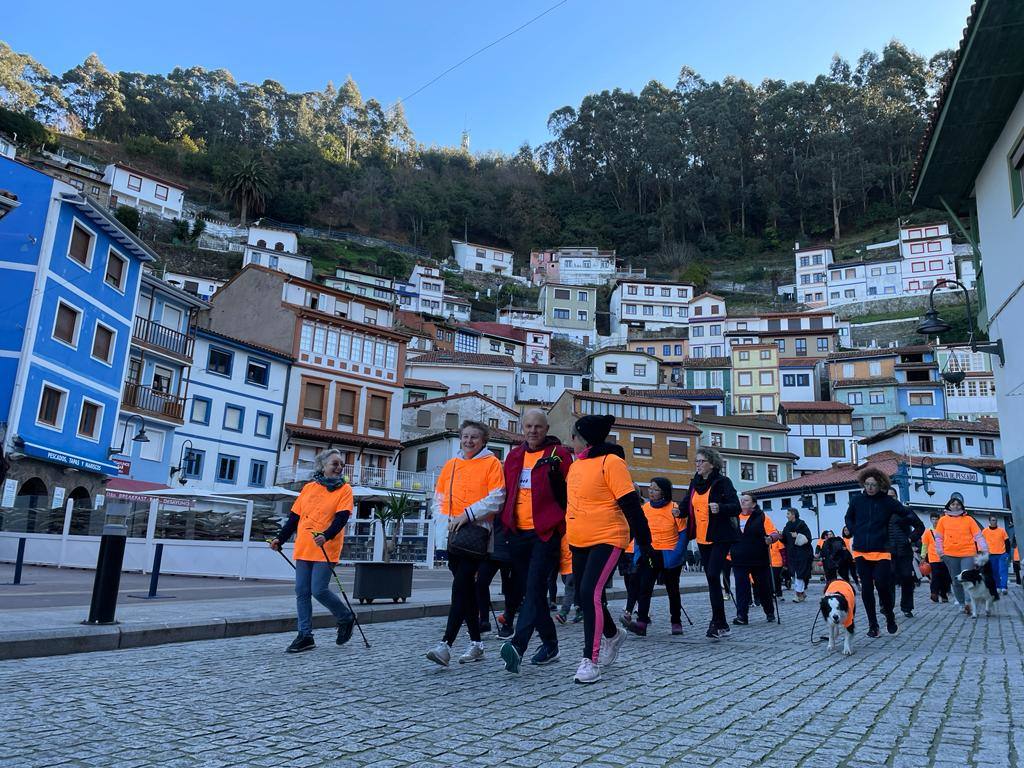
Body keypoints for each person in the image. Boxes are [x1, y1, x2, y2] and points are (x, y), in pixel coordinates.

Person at [564, 414, 651, 684]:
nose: (571, 441)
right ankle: (613, 635)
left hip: (608, 536)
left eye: (574, 436)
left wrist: (645, 545)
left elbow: (632, 506)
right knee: (584, 594)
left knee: (590, 592)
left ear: (586, 438)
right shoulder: (575, 466)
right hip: (578, 538)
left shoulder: (611, 462)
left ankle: (590, 661)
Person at [498, 409, 573, 673]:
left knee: (533, 588)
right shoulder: (514, 456)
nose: (533, 431)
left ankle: (517, 646)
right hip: (517, 533)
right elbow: (505, 492)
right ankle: (551, 645)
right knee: (535, 594)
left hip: (546, 532)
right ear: (522, 428)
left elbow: (570, 490)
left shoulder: (559, 455)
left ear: (546, 428)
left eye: (538, 427)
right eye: (528, 426)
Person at [426, 421, 505, 666]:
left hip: (475, 533)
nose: (469, 441)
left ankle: (446, 644)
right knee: (466, 590)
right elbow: (439, 498)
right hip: (452, 534)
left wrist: (467, 515)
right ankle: (477, 644)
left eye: (474, 437)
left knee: (460, 587)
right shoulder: (451, 465)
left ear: (483, 441)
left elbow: (497, 497)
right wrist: (444, 523)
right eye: (465, 436)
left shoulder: (492, 464)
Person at [270, 448, 355, 653]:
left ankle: (345, 617)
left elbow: (341, 518)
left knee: (318, 590)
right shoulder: (308, 488)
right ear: (323, 466)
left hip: (326, 546)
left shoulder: (345, 490)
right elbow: (294, 518)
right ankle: (305, 635)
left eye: (341, 465)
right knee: (302, 592)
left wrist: (326, 535)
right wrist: (279, 539)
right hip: (305, 546)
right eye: (335, 463)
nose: (339, 467)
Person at [844, 468, 923, 638]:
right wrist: (853, 529)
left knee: (882, 586)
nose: (870, 488)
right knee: (866, 588)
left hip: (881, 551)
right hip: (861, 551)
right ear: (863, 484)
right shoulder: (857, 500)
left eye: (873, 485)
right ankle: (873, 625)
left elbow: (910, 516)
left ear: (881, 485)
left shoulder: (888, 502)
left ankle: (889, 616)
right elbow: (848, 517)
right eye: (867, 484)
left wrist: (908, 530)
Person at [684, 446, 741, 640]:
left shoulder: (723, 482)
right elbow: (686, 504)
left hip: (720, 536)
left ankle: (716, 622)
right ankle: (721, 623)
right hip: (702, 537)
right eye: (696, 461)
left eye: (701, 461)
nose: (698, 465)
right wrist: (677, 512)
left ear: (712, 464)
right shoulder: (694, 484)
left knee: (712, 573)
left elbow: (736, 507)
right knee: (712, 580)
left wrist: (721, 507)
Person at [624, 478, 686, 636]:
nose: (651, 492)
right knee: (644, 588)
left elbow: (683, 534)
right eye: (650, 488)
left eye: (655, 489)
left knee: (673, 590)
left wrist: (676, 554)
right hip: (649, 552)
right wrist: (638, 553)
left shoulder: (675, 508)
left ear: (664, 492)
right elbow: (639, 532)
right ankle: (642, 623)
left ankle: (676, 621)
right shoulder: (645, 508)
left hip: (669, 554)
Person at [729, 492, 780, 625]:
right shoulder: (734, 516)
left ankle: (769, 611)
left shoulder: (762, 516)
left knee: (763, 587)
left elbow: (774, 533)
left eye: (746, 500)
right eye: (741, 500)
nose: (742, 502)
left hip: (759, 558)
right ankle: (742, 616)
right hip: (739, 558)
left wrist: (770, 538)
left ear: (753, 503)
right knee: (742, 588)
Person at [935, 495, 989, 614]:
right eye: (953, 504)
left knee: (968, 579)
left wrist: (983, 549)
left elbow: (978, 536)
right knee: (956, 581)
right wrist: (940, 552)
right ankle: (961, 603)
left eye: (958, 504)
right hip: (949, 554)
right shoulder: (943, 520)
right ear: (949, 506)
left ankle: (969, 602)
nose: (955, 506)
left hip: (968, 553)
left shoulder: (969, 519)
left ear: (962, 506)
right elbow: (938, 538)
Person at [887, 489, 921, 618]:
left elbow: (920, 526)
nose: (890, 499)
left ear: (896, 497)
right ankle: (888, 608)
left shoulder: (906, 511)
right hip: (887, 552)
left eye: (893, 496)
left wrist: (910, 538)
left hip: (904, 550)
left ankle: (907, 607)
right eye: (888, 496)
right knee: (888, 580)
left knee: (907, 578)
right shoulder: (881, 513)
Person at [780, 509, 813, 602]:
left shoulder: (802, 525)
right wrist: (780, 537)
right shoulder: (787, 526)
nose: (786, 516)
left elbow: (808, 538)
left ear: (793, 515)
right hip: (791, 554)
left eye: (788, 514)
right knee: (794, 574)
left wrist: (797, 535)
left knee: (800, 574)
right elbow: (785, 540)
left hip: (802, 554)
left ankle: (798, 595)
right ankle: (802, 594)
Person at [921, 513, 951, 602]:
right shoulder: (927, 532)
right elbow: (925, 545)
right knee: (936, 576)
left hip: (944, 557)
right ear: (930, 520)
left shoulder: (944, 531)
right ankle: (934, 593)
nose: (935, 521)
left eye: (936, 519)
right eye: (933, 519)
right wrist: (923, 556)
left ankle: (944, 594)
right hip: (933, 558)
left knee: (945, 577)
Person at [555, 533, 581, 624]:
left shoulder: (573, 532)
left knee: (569, 589)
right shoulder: (560, 534)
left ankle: (564, 612)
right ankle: (580, 610)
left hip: (572, 566)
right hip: (564, 567)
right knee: (574, 589)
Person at [982, 516, 1010, 595]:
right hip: (991, 555)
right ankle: (998, 587)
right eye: (993, 520)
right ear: (989, 521)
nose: (995, 522)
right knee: (994, 572)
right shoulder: (984, 531)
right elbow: (982, 543)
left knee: (1003, 571)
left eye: (996, 520)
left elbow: (1007, 542)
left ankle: (1004, 587)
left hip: (1002, 554)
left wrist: (1007, 553)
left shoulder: (1002, 530)